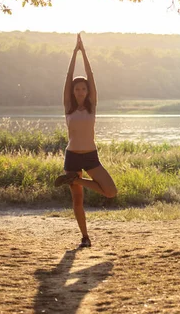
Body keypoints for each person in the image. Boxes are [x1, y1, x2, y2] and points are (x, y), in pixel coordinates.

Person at [55, 33, 118, 248]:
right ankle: (85, 237)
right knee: (78, 201)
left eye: (83, 89)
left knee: (111, 191)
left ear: (87, 91)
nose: (80, 91)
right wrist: (74, 53)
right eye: (77, 89)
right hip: (72, 156)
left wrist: (85, 53)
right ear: (72, 91)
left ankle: (74, 179)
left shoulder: (92, 105)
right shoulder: (68, 107)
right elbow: (68, 76)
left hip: (91, 156)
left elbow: (91, 76)